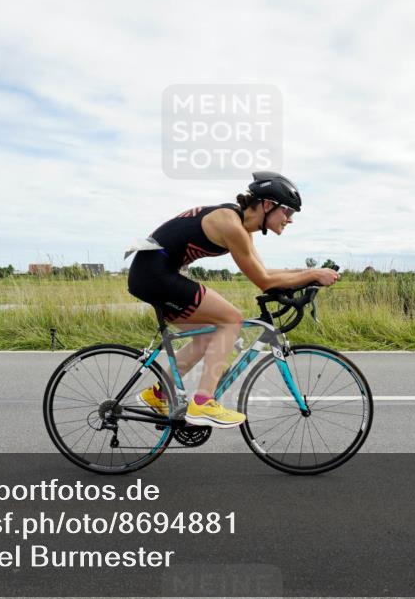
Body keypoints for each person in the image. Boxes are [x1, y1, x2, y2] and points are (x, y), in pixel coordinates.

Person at [126, 171, 340, 428]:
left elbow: (265, 272)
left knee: (209, 335)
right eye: (288, 212)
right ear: (268, 205)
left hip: (153, 275)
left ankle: (159, 394)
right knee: (231, 319)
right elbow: (264, 282)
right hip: (155, 275)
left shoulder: (241, 227)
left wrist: (308, 277)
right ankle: (203, 403)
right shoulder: (231, 225)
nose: (290, 220)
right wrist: (313, 273)